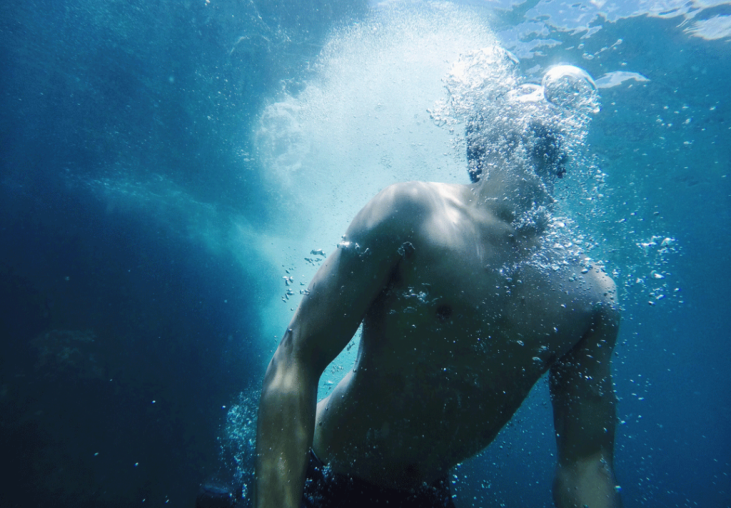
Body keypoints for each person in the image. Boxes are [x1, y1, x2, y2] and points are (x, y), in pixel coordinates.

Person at [254, 62, 623, 508]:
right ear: (478, 139)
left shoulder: (589, 295)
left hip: (428, 498)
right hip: (318, 474)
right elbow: (297, 355)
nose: (539, 96)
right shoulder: (411, 213)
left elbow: (585, 462)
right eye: (522, 90)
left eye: (546, 97)